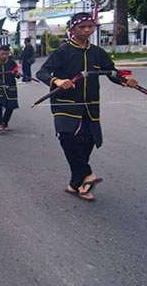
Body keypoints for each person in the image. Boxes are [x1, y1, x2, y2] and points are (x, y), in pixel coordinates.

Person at [36, 13, 138, 201]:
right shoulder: (63, 51)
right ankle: (87, 174)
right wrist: (57, 81)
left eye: (90, 27)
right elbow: (41, 72)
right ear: (72, 29)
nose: (86, 30)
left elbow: (111, 72)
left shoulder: (97, 52)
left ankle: (76, 184)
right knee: (68, 138)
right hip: (65, 105)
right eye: (82, 27)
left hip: (90, 106)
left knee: (87, 143)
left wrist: (125, 80)